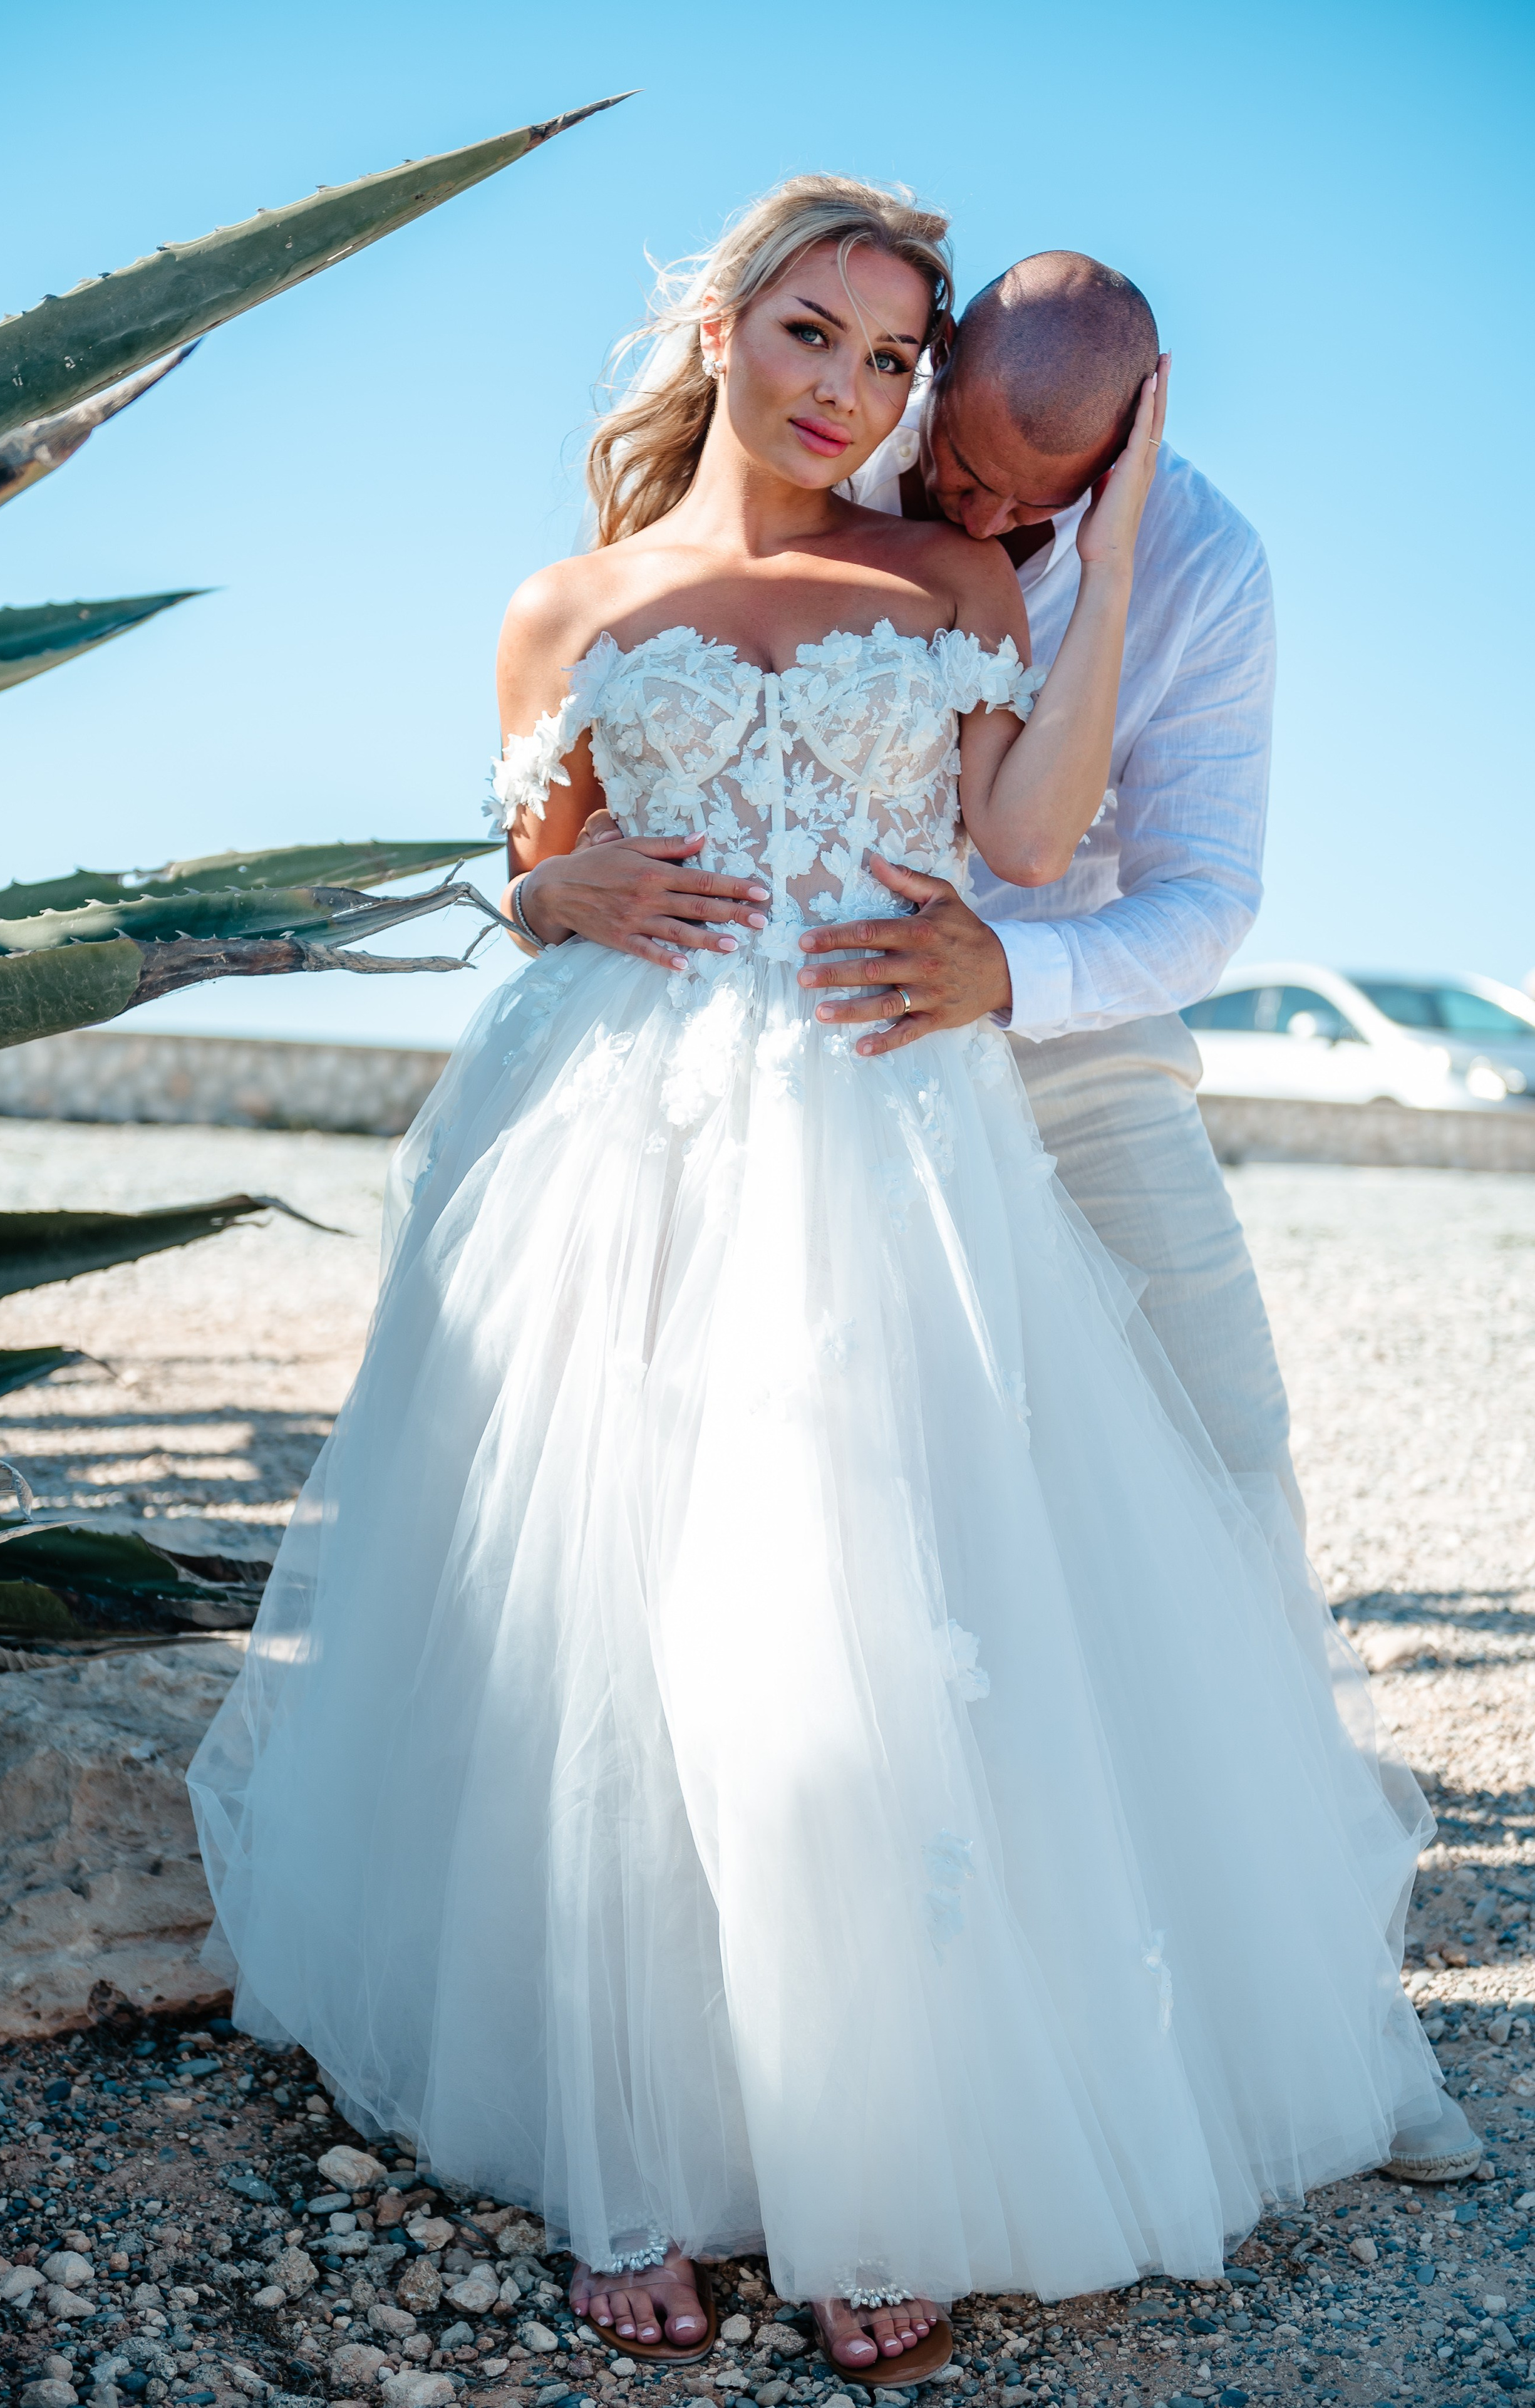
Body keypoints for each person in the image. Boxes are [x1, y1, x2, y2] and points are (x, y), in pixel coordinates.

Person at [190, 176, 1445, 2380]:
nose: (854, 393)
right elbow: (532, 866)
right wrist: (556, 899)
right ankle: (636, 2149)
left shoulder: (966, 572)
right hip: (621, 1134)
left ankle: (899, 2131)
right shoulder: (559, 598)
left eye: (886, 354)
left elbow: (1051, 853)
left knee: (890, 1596)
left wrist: (1122, 533)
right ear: (718, 324)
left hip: (899, 1103)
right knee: (617, 1601)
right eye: (819, 338)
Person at [515, 246, 1479, 2187]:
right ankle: (747, 2023)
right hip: (796, 1051)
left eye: (1033, 493)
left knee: (1218, 1465)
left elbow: (1196, 892)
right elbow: (566, 799)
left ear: (1131, 435)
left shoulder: (1203, 566)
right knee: (788, 1516)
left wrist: (1011, 980)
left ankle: (1313, 2027)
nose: (970, 504)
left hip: (1066, 1025)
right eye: (952, 450)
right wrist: (560, 898)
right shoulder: (844, 443)